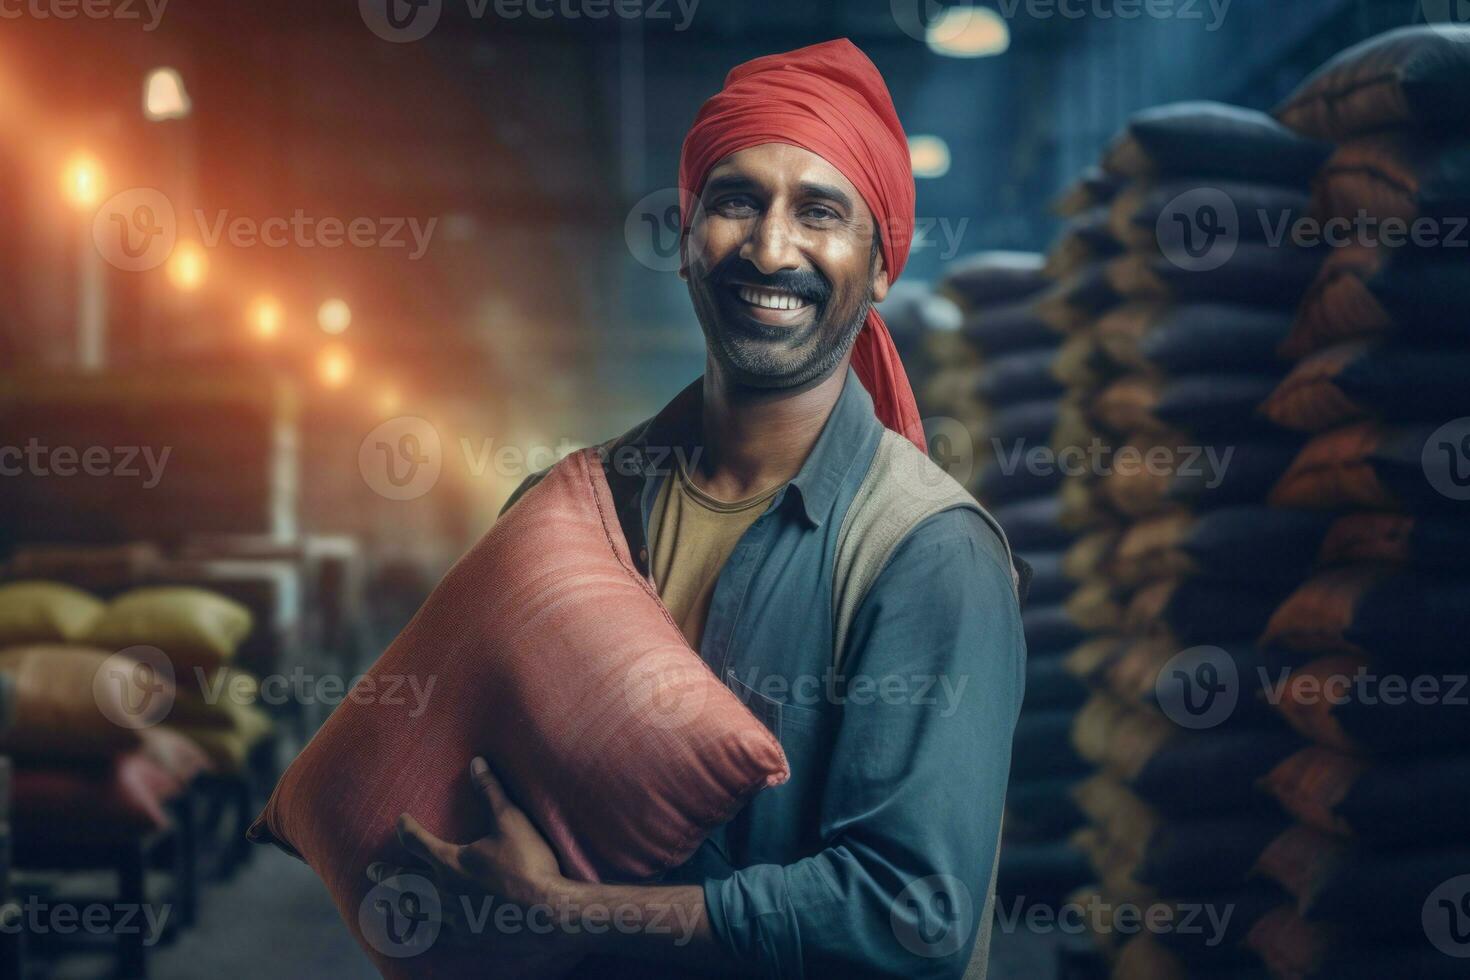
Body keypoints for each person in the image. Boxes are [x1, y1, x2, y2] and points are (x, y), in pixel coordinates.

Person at [380, 38, 1027, 979]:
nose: (770, 247)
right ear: (687, 239)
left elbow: (911, 915)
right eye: (736, 201)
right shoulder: (571, 510)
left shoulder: (925, 553)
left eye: (820, 212)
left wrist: (576, 915)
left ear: (881, 266)